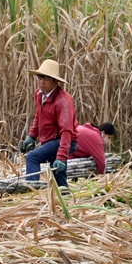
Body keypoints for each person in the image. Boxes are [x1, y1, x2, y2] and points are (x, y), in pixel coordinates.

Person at [19, 59, 79, 187]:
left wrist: (61, 156)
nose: (41, 82)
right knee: (58, 178)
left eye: (46, 79)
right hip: (52, 140)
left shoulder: (63, 101)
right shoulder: (39, 94)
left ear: (55, 81)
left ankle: (32, 192)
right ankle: (64, 196)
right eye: (40, 77)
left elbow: (67, 131)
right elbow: (39, 116)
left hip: (64, 141)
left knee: (32, 157)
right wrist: (31, 137)